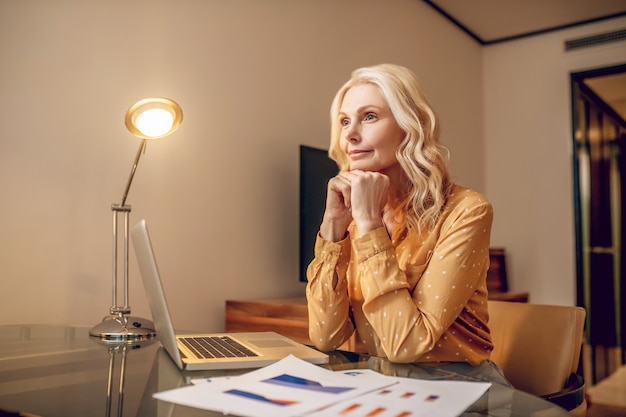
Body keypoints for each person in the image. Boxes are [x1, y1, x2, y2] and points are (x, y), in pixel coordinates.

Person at [305, 63, 510, 385]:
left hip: (458, 385)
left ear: (409, 125)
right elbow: (325, 336)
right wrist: (333, 226)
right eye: (344, 121)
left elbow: (406, 345)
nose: (350, 134)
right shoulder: (357, 219)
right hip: (383, 382)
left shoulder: (467, 210)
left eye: (369, 116)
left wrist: (370, 227)